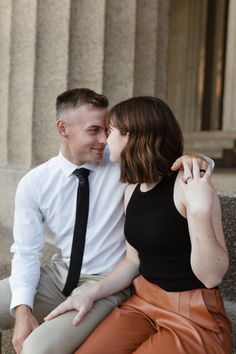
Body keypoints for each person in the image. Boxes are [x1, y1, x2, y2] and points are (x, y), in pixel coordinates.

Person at [0, 88, 210, 354]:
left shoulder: (122, 164)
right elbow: (26, 252)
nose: (104, 140)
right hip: (57, 275)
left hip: (106, 282)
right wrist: (22, 310)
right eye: (94, 130)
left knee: (37, 350)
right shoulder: (35, 182)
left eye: (107, 131)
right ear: (63, 128)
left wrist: (200, 160)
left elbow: (165, 163)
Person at [71, 96, 231, 354]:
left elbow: (212, 276)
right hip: (143, 302)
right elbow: (133, 262)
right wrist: (93, 292)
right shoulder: (132, 188)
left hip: (193, 314)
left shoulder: (189, 185)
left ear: (130, 136)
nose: (105, 140)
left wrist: (200, 210)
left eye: (110, 131)